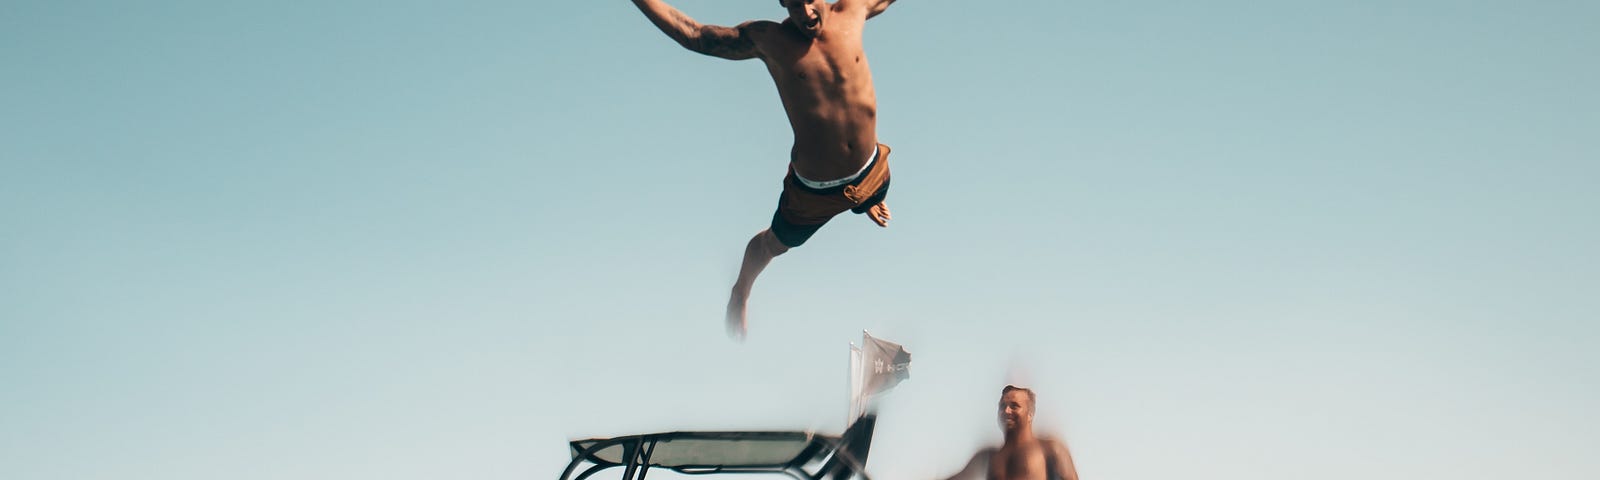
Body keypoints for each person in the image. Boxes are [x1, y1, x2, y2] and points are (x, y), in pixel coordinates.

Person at [628, 0, 900, 339]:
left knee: (875, 190)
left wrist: (865, 193)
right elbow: (694, 34)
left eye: (809, 1)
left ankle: (863, 199)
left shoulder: (854, 10)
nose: (805, 13)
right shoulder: (768, 39)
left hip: (872, 171)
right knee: (773, 245)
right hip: (813, 190)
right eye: (794, 4)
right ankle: (741, 290)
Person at [938, 386, 1080, 480]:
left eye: (1014, 406)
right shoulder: (989, 455)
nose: (1006, 411)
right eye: (1002, 406)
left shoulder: (1049, 449)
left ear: (1030, 414)